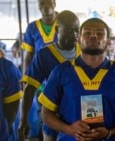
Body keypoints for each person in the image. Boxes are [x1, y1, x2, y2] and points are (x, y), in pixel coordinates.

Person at [38, 18, 115, 141]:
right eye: (87, 33)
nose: (93, 36)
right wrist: (69, 129)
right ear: (78, 39)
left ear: (108, 42)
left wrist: (109, 132)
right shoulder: (61, 72)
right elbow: (46, 114)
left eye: (100, 33)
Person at [18, 10, 81, 141]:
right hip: (53, 115)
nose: (75, 35)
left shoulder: (84, 53)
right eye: (69, 31)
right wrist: (24, 120)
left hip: (78, 115)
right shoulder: (44, 55)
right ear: (58, 29)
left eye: (77, 30)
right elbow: (30, 88)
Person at [20, 0, 58, 139]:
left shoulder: (65, 21)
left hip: (62, 76)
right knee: (43, 113)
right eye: (42, 3)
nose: (45, 5)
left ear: (54, 3)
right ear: (38, 6)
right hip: (40, 79)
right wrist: (25, 77)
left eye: (48, 2)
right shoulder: (32, 28)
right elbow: (28, 55)